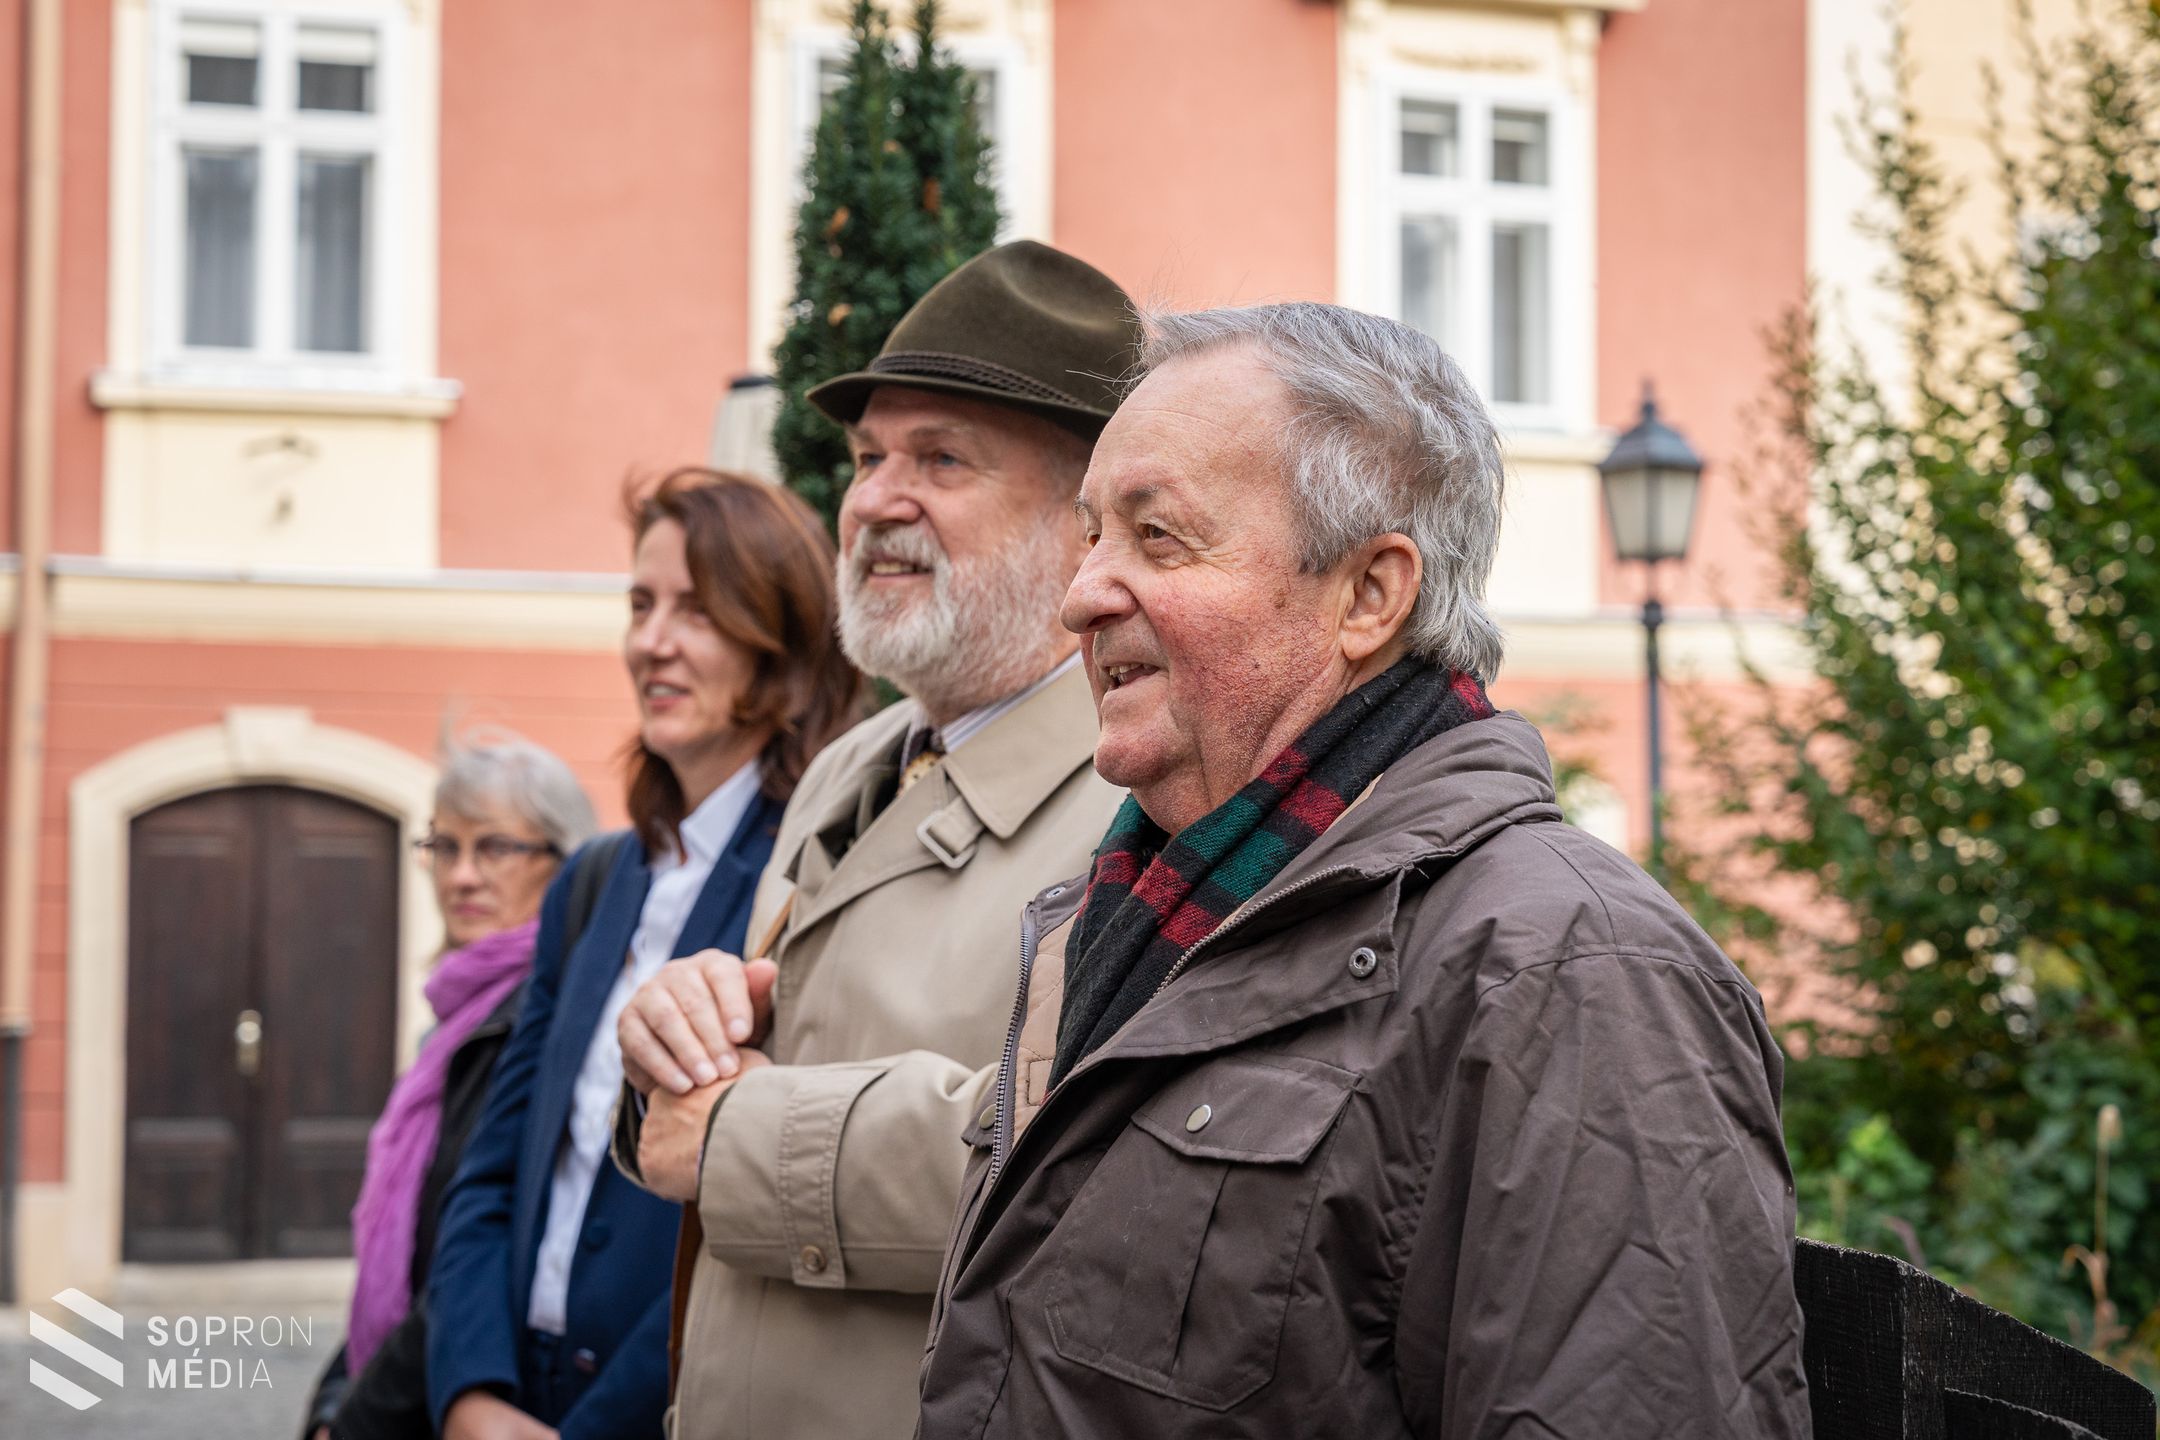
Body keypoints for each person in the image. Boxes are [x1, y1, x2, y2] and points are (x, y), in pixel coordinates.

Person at [916, 303, 1814, 1438]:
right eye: (1094, 534)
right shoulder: (1121, 918)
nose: (1083, 592)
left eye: (1157, 538)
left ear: (1370, 597)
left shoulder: (1569, 971)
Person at [608, 241, 1136, 1439]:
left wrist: (728, 1135)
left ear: (1086, 520)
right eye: (865, 460)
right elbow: (705, 1102)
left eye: (940, 459)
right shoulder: (849, 766)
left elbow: (1093, 1165)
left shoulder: (1143, 796)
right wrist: (663, 1054)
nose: (873, 501)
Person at [425, 469, 862, 1440]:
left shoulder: (819, 878)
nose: (651, 641)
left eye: (698, 611)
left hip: (667, 1404)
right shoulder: (593, 881)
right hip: (511, 1385)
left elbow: (750, 1223)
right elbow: (494, 1167)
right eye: (640, 603)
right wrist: (468, 1390)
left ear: (786, 652)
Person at [301, 734, 598, 1440]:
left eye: (495, 848)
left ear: (564, 863)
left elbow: (473, 1260)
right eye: (444, 847)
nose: (461, 876)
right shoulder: (454, 1022)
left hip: (486, 1392)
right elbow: (400, 1263)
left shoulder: (545, 1023)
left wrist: (353, 1421)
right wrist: (335, 1401)